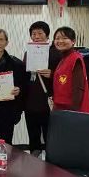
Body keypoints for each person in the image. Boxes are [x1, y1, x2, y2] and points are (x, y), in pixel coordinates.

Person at [23, 21, 62, 155]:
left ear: (47, 35)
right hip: (30, 102)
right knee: (33, 135)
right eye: (33, 34)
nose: (37, 36)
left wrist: (53, 74)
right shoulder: (28, 53)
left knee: (49, 135)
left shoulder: (56, 53)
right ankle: (34, 159)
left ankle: (51, 160)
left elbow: (65, 78)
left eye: (40, 33)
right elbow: (25, 76)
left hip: (48, 102)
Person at [52, 26, 89, 113]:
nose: (60, 41)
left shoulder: (75, 59)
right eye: (57, 38)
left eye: (64, 38)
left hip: (71, 111)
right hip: (61, 108)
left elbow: (78, 89)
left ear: (73, 41)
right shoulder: (64, 58)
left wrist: (73, 113)